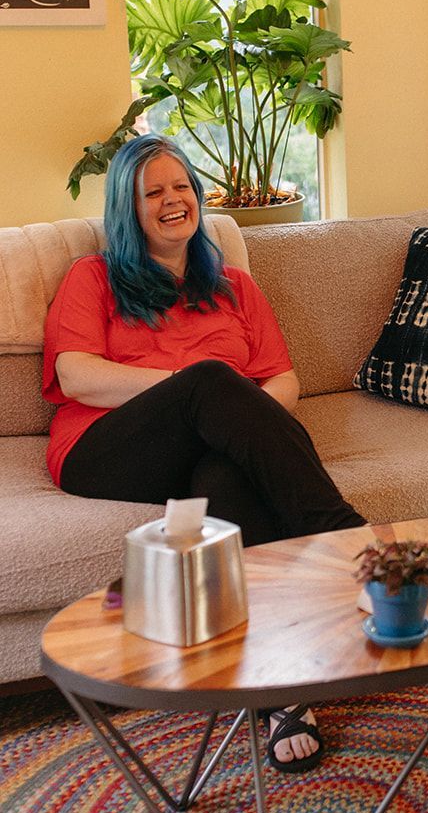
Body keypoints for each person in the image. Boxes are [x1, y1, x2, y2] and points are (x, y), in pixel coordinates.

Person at [43, 134, 368, 773]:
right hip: (104, 450)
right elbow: (77, 374)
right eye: (153, 192)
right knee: (211, 378)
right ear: (127, 208)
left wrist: (239, 428)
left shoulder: (235, 287)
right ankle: (345, 536)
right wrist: (194, 392)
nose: (173, 201)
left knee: (225, 477)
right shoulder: (94, 278)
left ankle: (282, 690)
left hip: (200, 449)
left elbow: (282, 381)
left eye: (182, 187)